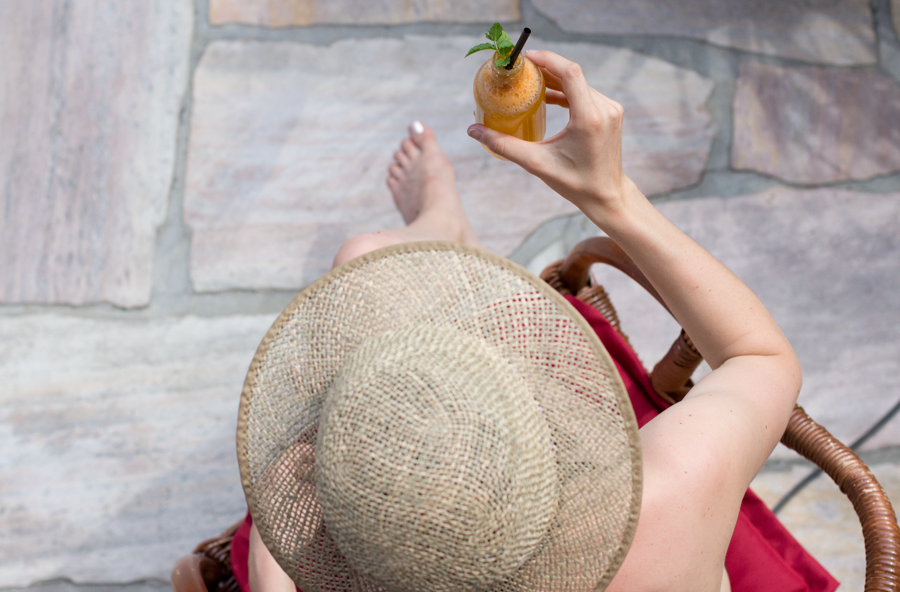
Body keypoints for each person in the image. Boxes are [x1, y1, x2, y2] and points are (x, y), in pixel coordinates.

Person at [236, 50, 837, 592]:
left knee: (363, 259)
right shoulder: (667, 502)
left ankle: (443, 229)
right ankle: (448, 233)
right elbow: (761, 358)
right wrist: (611, 195)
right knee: (367, 261)